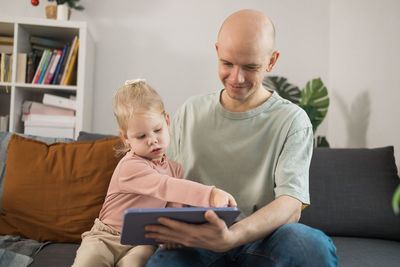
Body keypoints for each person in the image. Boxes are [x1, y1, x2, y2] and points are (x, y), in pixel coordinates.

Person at [145, 9, 338, 267]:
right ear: (217, 51)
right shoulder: (190, 112)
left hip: (266, 238)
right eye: (227, 63)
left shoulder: (293, 120)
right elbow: (170, 185)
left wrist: (232, 236)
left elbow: (291, 205)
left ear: (271, 61)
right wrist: (171, 216)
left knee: (310, 246)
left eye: (251, 67)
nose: (236, 78)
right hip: (200, 238)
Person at [72, 79, 237, 267]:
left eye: (157, 130)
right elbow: (164, 186)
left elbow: (172, 208)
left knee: (135, 264)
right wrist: (211, 194)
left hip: (141, 241)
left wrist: (170, 234)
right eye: (141, 136)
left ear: (167, 121)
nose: (152, 140)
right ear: (126, 138)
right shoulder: (130, 166)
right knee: (89, 261)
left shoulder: (175, 169)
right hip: (105, 236)